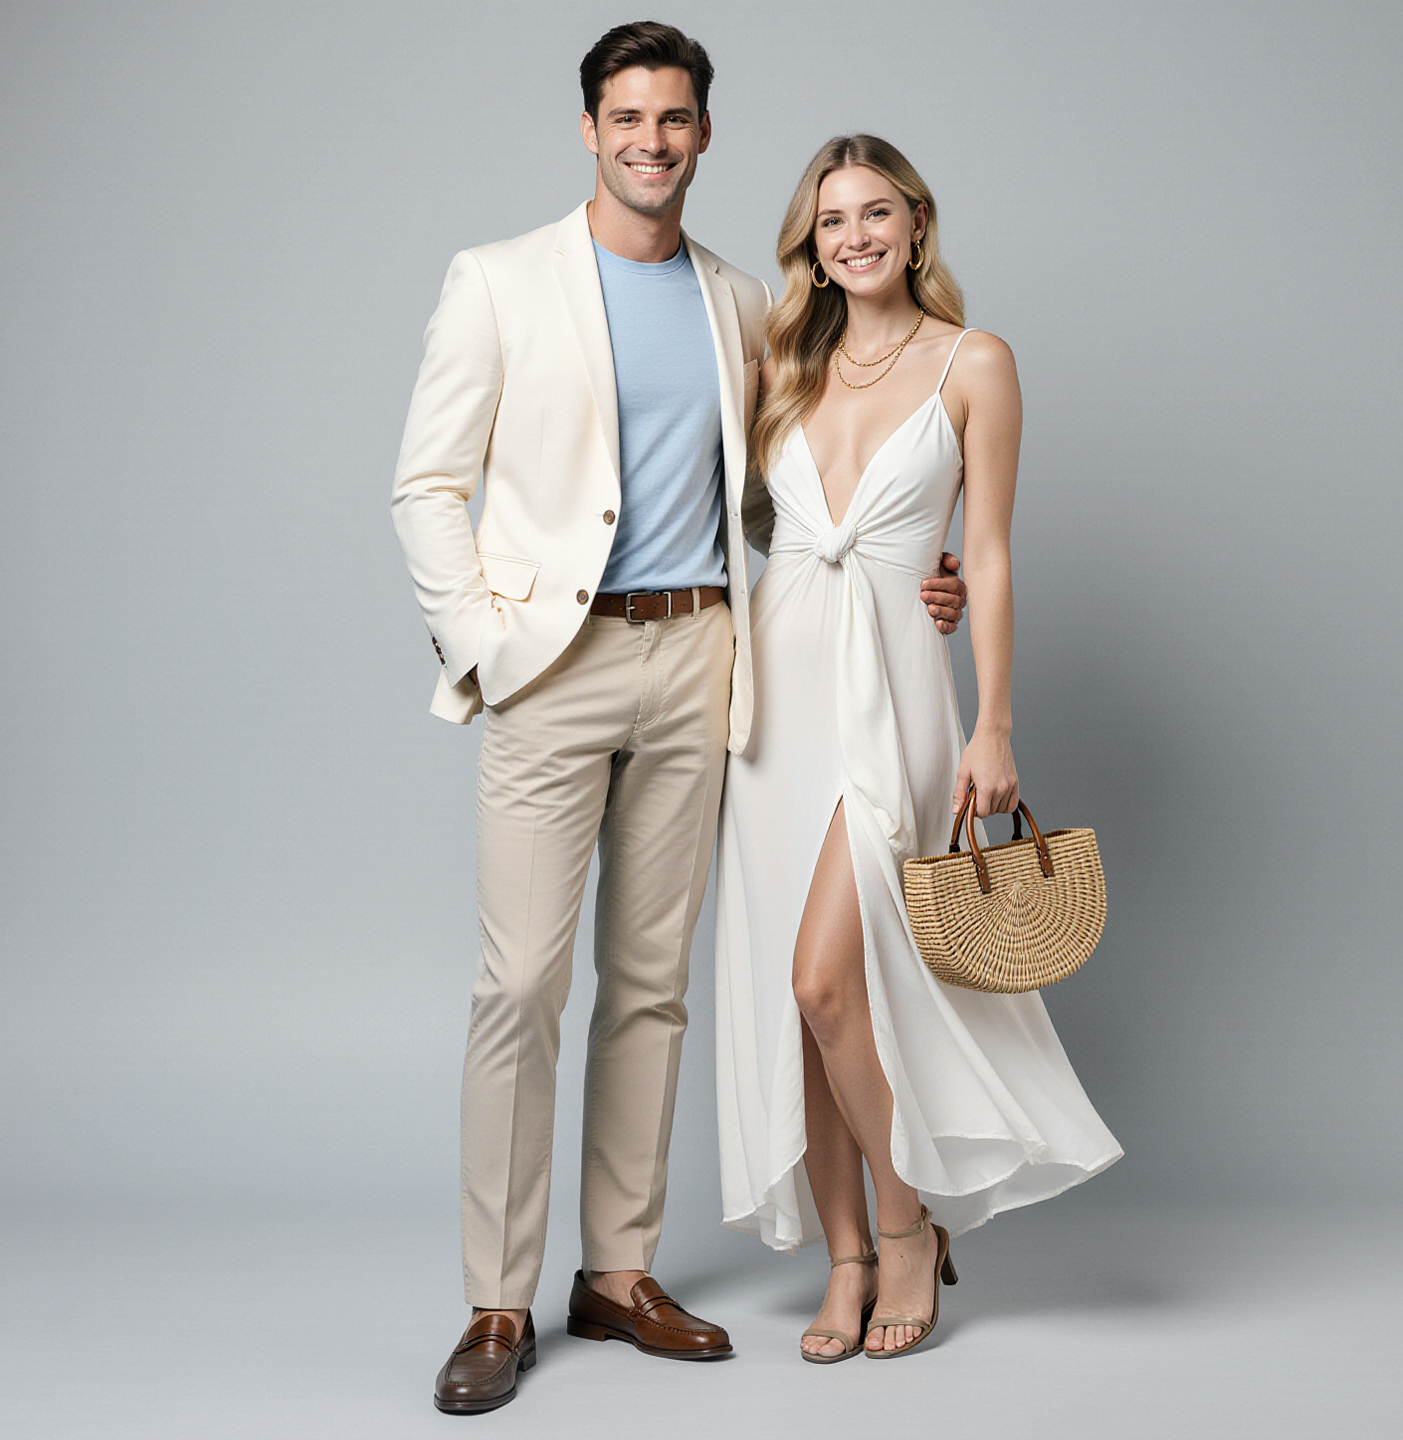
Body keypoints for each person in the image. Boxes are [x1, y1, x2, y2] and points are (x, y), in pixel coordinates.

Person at [391, 28, 967, 1413]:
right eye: (627, 116)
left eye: (674, 118)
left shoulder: (739, 302)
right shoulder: (499, 279)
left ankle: (618, 1272)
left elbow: (787, 498)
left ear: (704, 135)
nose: (651, 140)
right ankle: (496, 1301)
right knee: (521, 986)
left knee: (652, 984)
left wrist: (914, 568)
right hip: (553, 665)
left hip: (705, 655)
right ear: (590, 130)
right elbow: (426, 486)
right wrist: (490, 648)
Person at [714, 134, 1123, 1363]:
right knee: (794, 1004)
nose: (855, 236)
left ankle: (906, 1228)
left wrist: (993, 718)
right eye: (831, 220)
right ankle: (844, 1256)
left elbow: (986, 551)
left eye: (875, 212)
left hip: (889, 694)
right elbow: (752, 527)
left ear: (916, 224)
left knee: (826, 978)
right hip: (772, 704)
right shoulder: (782, 360)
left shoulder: (973, 361)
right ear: (811, 244)